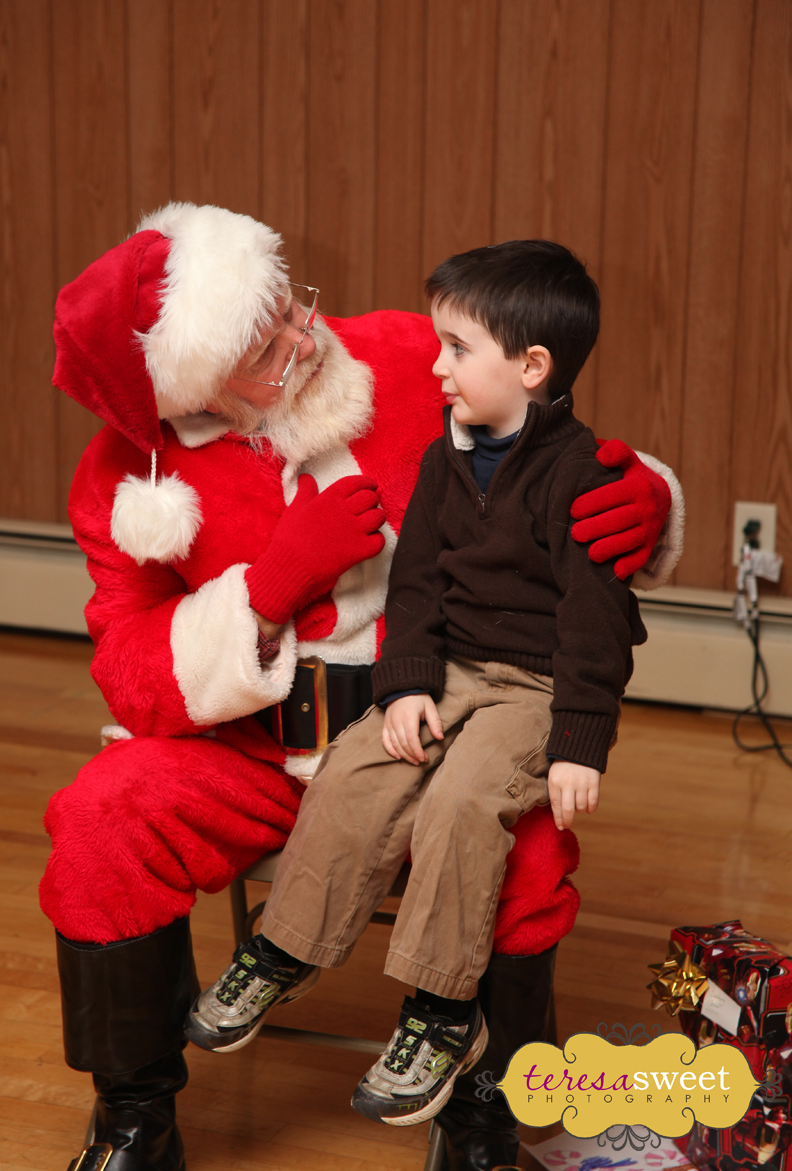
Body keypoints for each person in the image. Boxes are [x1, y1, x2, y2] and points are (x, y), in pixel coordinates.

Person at [41, 203, 682, 1171]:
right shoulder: (123, 483)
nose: (307, 336)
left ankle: (480, 1111)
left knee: (522, 850)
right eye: (266, 343)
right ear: (193, 384)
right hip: (255, 754)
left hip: (435, 726)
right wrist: (265, 590)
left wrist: (643, 492)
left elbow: (543, 425)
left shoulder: (395, 352)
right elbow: (131, 677)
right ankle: (135, 1116)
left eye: (291, 304)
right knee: (100, 823)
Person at [185, 239, 647, 1129]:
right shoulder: (445, 457)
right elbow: (418, 586)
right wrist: (405, 688)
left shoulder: (579, 474)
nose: (436, 365)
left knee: (463, 801)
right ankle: (282, 951)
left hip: (537, 689)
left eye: (457, 348)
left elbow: (596, 624)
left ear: (531, 365)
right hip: (453, 673)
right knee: (358, 768)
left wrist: (580, 742)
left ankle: (440, 1011)